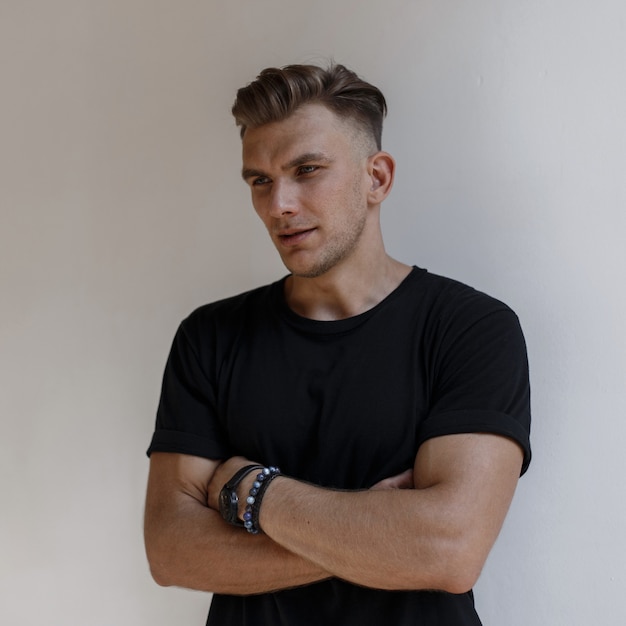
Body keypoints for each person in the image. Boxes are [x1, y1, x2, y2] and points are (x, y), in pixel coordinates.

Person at [144, 63, 531, 626]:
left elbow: (450, 552)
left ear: (376, 178)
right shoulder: (210, 337)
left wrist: (252, 492)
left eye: (307, 170)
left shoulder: (471, 328)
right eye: (260, 180)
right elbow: (171, 551)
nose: (280, 205)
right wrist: (381, 534)